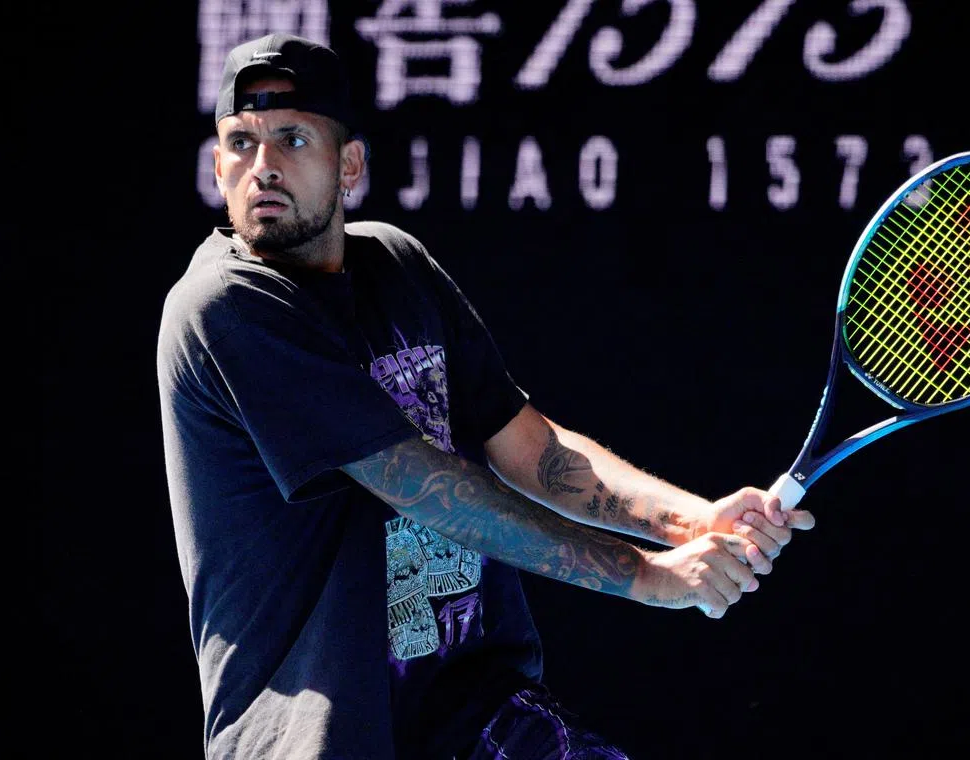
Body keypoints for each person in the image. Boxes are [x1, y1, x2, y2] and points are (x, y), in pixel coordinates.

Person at [156, 32, 815, 760]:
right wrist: (649, 577)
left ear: (349, 165)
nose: (263, 166)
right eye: (241, 143)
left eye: (293, 138)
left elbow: (529, 445)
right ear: (217, 166)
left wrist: (690, 521)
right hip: (321, 740)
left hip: (476, 713)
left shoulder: (397, 265)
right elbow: (428, 489)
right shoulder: (225, 308)